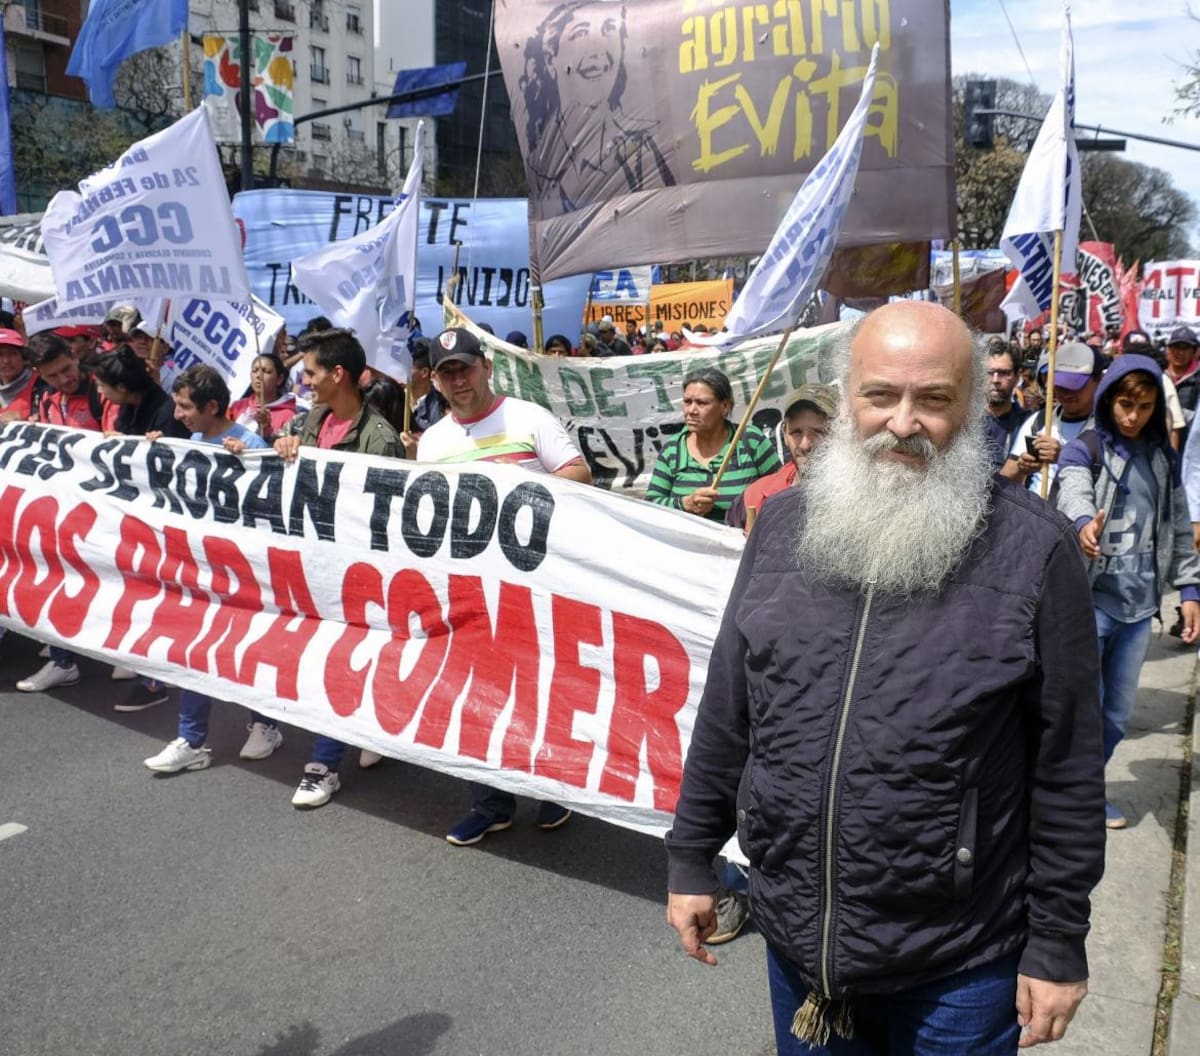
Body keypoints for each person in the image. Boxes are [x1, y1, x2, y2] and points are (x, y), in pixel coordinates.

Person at [666, 301, 1103, 1055]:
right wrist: (689, 855)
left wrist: (1058, 938)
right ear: (847, 400)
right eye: (881, 395)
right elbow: (729, 711)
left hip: (961, 958)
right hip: (801, 944)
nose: (903, 423)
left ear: (969, 409)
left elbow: (1067, 764)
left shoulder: (1036, 551)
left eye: (933, 398)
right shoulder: (779, 527)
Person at [411, 327, 592, 846]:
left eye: (465, 368)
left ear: (486, 366)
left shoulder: (530, 418)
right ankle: (491, 803)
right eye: (447, 373)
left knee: (540, 690)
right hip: (468, 594)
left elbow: (581, 476)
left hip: (535, 586)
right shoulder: (434, 442)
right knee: (475, 698)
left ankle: (554, 787)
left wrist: (517, 492)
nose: (459, 380)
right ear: (436, 381)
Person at [1054, 354, 1200, 830]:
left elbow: (1178, 526)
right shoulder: (1086, 449)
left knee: (1115, 717)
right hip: (1090, 605)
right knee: (1083, 711)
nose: (1132, 416)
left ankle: (1085, 787)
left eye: (1143, 405)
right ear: (1108, 401)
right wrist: (1081, 524)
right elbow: (1073, 489)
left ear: (1157, 406)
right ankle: (1073, 797)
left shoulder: (1161, 458)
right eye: (1123, 404)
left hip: (1139, 612)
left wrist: (1190, 588)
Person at [274, 328, 404, 808]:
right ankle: (373, 727)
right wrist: (282, 447)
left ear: (338, 374)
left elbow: (386, 523)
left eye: (310, 373)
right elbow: (278, 456)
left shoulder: (379, 439)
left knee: (337, 663)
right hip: (313, 568)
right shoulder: (311, 421)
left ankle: (323, 765)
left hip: (357, 576)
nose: (304, 381)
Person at [142, 366, 283, 774]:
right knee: (194, 649)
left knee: (250, 649)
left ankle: (265, 724)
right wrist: (156, 450)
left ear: (212, 406)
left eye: (185, 406)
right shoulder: (196, 440)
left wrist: (253, 461)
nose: (178, 413)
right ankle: (191, 739)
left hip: (247, 572)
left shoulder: (251, 443)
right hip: (204, 570)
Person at [518, 0, 675, 218]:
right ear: (550, 58)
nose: (597, 51)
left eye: (609, 29)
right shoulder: (538, 165)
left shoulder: (640, 152)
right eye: (581, 33)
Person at [645, 367, 781, 523]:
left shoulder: (750, 440)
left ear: (724, 407)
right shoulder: (672, 450)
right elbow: (651, 505)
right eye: (687, 402)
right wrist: (685, 504)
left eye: (701, 403)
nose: (691, 410)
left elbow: (781, 489)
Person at [726, 384, 838, 532]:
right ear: (784, 434)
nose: (805, 445)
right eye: (796, 432)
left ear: (841, 432)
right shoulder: (755, 497)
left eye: (819, 432)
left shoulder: (864, 496)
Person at [1002, 341, 1103, 494]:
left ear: (1098, 381)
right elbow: (1005, 480)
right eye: (1061, 385)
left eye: (1075, 385)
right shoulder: (1039, 421)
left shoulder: (1108, 428)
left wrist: (1065, 457)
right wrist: (1022, 467)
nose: (1066, 393)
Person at [93, 346, 188, 439]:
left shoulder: (167, 413)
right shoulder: (128, 405)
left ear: (121, 387)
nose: (99, 391)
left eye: (102, 385)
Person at [981, 339, 1030, 470]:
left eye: (1003, 373)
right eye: (990, 373)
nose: (995, 380)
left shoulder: (1028, 424)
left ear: (1017, 377)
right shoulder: (964, 420)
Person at [228, 352, 298, 441]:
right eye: (255, 370)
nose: (259, 375)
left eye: (267, 371)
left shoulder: (288, 416)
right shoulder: (238, 406)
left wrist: (266, 429)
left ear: (279, 379)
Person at [406, 338, 448, 432]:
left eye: (407, 368)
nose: (402, 372)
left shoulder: (439, 409)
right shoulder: (400, 399)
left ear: (424, 372)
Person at [1164, 326, 1200, 430]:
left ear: (1194, 351)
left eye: (1186, 348)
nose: (1180, 352)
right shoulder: (1158, 374)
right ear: (1169, 349)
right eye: (1176, 346)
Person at [0, 328, 37, 423]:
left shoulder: (41, 385)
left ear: (23, 356)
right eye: (0, 355)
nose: (6, 361)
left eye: (12, 353)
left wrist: (23, 420)